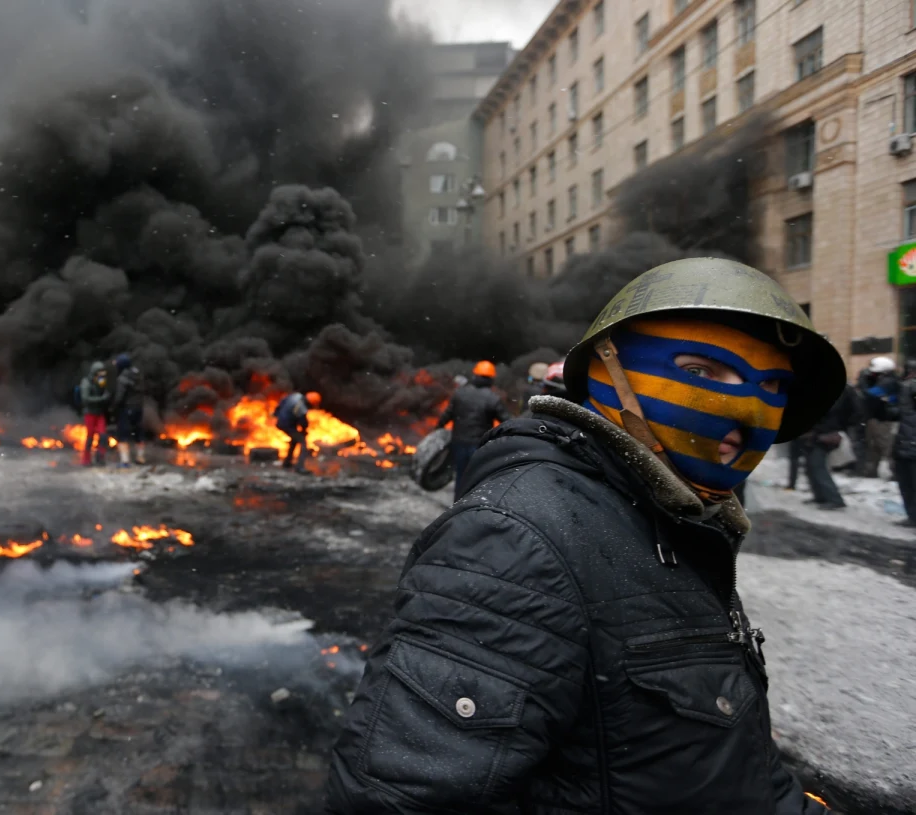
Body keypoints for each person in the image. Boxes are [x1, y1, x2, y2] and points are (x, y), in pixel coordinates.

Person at [326, 258, 840, 815]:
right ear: (607, 369)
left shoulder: (680, 520)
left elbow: (731, 766)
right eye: (702, 371)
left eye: (771, 385)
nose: (745, 408)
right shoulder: (515, 540)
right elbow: (397, 797)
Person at [435, 360, 511, 500]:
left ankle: (457, 506)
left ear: (474, 375)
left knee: (461, 477)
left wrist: (437, 430)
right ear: (491, 379)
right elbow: (506, 422)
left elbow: (447, 415)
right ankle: (471, 509)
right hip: (479, 446)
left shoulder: (460, 393)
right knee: (477, 479)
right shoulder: (492, 399)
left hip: (458, 443)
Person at [806, 383, 860, 510]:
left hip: (827, 432)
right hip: (822, 431)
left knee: (817, 464)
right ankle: (820, 495)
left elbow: (831, 412)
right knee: (811, 465)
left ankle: (834, 499)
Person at [858, 356, 899, 478]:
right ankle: (871, 471)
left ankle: (896, 472)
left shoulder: (889, 381)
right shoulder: (882, 379)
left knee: (886, 447)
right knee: (873, 447)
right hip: (875, 418)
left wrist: (863, 381)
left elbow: (871, 394)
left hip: (883, 420)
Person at [111, 354, 147, 467]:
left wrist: (114, 406)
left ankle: (125, 461)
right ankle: (140, 457)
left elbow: (119, 397)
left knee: (123, 434)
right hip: (139, 408)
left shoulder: (122, 378)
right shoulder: (139, 376)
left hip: (126, 408)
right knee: (138, 433)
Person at [892, 361, 916, 527]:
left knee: (910, 485)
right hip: (904, 445)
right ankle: (912, 516)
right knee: (906, 485)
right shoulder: (904, 391)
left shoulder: (909, 388)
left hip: (910, 446)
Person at [275, 390, 320, 473]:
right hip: (286, 425)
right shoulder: (302, 407)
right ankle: (300, 467)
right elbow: (303, 422)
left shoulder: (295, 396)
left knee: (295, 440)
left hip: (281, 422)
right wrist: (304, 431)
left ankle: (287, 463)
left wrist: (276, 414)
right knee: (303, 443)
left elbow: (282, 402)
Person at [79, 361, 113, 466]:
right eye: (101, 371)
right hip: (90, 414)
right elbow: (85, 398)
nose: (103, 373)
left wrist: (106, 392)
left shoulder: (100, 380)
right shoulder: (86, 383)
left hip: (99, 413)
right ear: (95, 372)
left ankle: (100, 457)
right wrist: (101, 399)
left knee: (103, 436)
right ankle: (86, 459)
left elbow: (103, 389)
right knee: (90, 437)